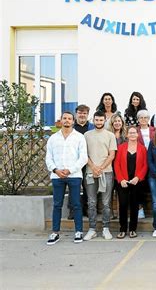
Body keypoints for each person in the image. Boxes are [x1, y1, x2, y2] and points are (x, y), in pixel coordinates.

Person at [46, 111, 88, 245]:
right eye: (65, 118)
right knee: (57, 204)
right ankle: (55, 232)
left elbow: (83, 158)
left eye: (70, 119)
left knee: (76, 204)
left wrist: (70, 170)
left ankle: (79, 231)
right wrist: (55, 170)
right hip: (57, 176)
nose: (67, 121)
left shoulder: (79, 137)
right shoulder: (53, 138)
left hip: (74, 175)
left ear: (73, 121)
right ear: (61, 120)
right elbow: (48, 157)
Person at [83, 111, 118, 241]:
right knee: (91, 202)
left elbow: (112, 155)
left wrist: (101, 168)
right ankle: (92, 229)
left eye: (101, 120)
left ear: (104, 121)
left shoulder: (110, 135)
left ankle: (105, 228)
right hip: (90, 172)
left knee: (106, 202)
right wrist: (93, 167)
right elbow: (84, 154)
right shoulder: (86, 135)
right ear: (93, 120)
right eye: (96, 120)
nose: (98, 122)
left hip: (106, 172)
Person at [114, 127, 148, 239]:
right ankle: (122, 229)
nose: (132, 134)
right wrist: (121, 179)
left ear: (137, 135)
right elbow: (116, 165)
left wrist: (138, 177)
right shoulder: (121, 147)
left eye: (134, 132)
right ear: (127, 135)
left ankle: (133, 229)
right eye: (130, 133)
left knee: (134, 205)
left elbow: (145, 165)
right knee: (123, 205)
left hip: (136, 182)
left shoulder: (142, 148)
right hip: (123, 182)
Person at [70, 104, 94, 219]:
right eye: (80, 113)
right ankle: (72, 211)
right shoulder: (71, 128)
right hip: (73, 162)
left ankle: (86, 209)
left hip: (88, 161)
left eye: (84, 113)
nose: (82, 115)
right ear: (76, 114)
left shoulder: (92, 127)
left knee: (87, 187)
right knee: (73, 186)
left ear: (87, 115)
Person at [135, 109, 155, 219]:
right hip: (140, 162)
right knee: (140, 185)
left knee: (154, 185)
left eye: (145, 117)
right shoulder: (134, 130)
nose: (143, 119)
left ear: (148, 119)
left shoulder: (154, 130)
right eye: (141, 117)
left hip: (153, 161)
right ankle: (140, 208)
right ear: (138, 119)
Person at [107, 112, 127, 220]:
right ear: (112, 123)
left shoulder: (125, 136)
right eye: (115, 121)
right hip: (109, 166)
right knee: (109, 191)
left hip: (122, 167)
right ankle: (110, 213)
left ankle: (120, 213)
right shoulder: (108, 135)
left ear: (122, 123)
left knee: (121, 192)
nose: (117, 123)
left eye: (119, 121)